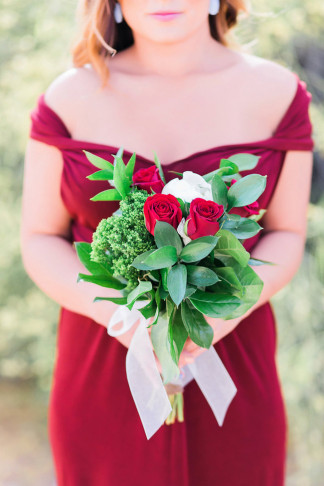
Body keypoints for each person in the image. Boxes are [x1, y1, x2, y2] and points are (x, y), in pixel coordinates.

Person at [20, 0, 314, 484]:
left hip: (234, 351)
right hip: (102, 360)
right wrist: (119, 314)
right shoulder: (68, 98)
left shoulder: (278, 94)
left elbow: (286, 231)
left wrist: (223, 315)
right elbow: (38, 237)